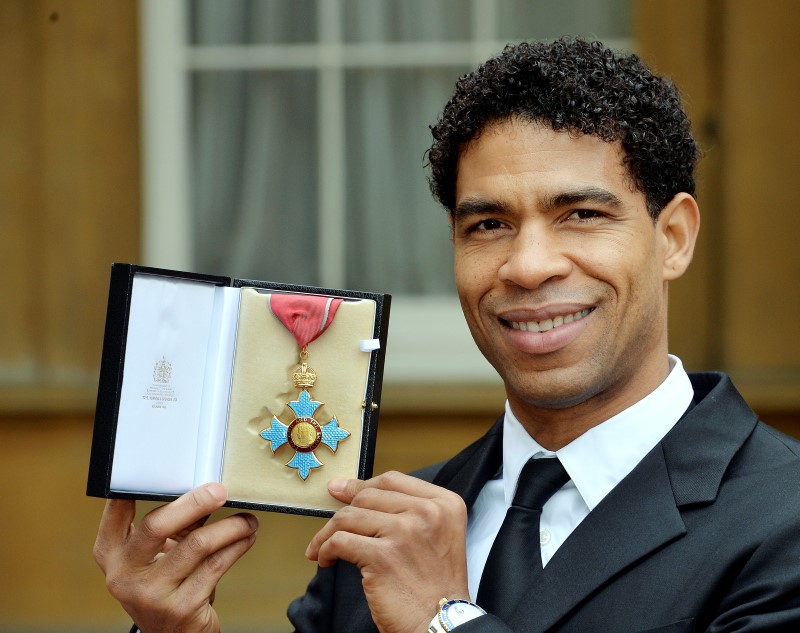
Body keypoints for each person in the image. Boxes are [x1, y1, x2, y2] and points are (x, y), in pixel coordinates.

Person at [94, 37, 800, 633]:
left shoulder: (781, 518)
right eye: (487, 225)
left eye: (581, 214)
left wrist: (445, 618)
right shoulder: (385, 529)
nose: (527, 266)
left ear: (673, 237)